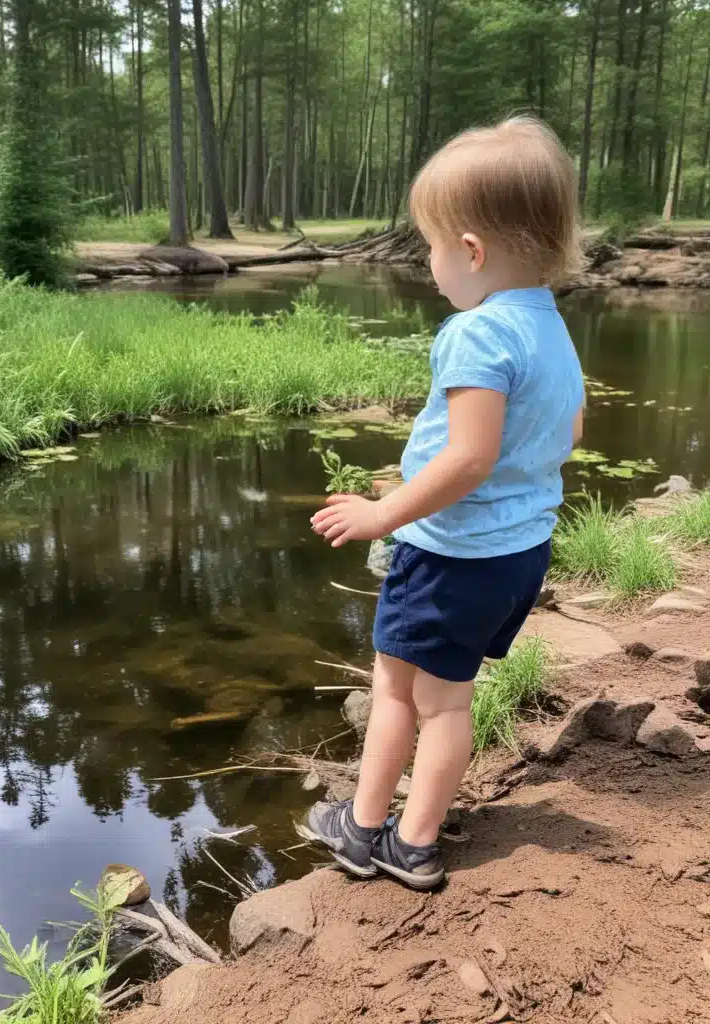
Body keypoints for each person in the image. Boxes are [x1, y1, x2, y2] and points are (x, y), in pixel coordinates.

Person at [305, 116, 586, 891]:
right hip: (517, 554)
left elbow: (468, 456)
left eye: (430, 246)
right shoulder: (550, 325)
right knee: (451, 699)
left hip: (448, 556)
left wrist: (382, 514)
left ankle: (372, 834)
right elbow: (565, 428)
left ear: (471, 251)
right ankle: (414, 839)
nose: (428, 265)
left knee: (400, 690)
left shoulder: (476, 332)